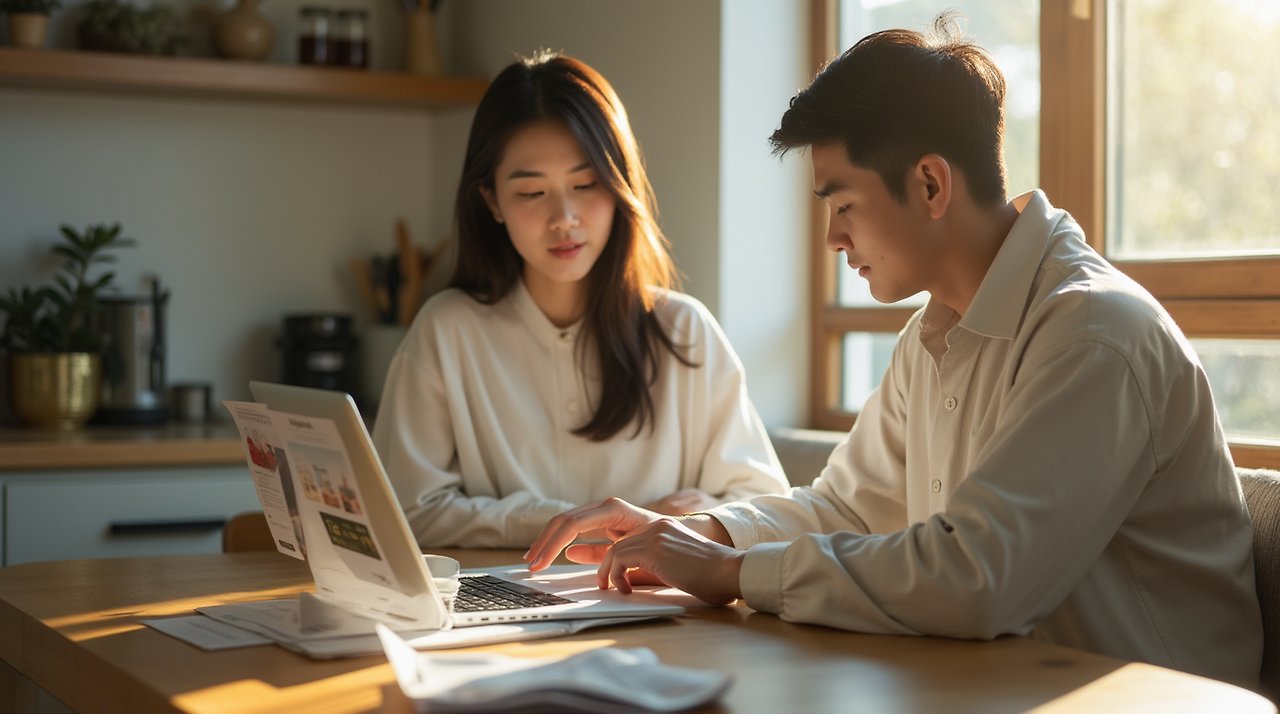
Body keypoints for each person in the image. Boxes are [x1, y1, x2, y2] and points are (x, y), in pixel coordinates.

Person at [524, 16, 1263, 689]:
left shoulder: (1095, 333)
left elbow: (979, 578)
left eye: (843, 205)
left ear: (931, 183)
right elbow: (847, 506)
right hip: (997, 685)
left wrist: (733, 571)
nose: (832, 238)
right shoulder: (936, 333)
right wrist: (697, 536)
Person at [372, 52, 788, 549]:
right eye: (532, 193)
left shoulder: (684, 331)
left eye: (586, 184)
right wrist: (570, 521)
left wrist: (698, 519)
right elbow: (408, 510)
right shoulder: (447, 330)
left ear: (619, 185)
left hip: (656, 595)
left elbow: (766, 508)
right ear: (492, 201)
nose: (564, 217)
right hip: (502, 594)